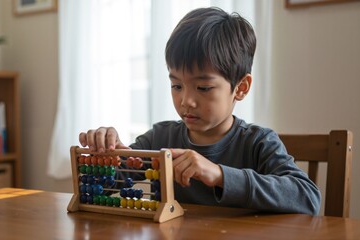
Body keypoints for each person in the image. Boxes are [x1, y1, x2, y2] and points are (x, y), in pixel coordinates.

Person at [79, 7, 321, 215]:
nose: (186, 101)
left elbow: (308, 198)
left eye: (203, 87)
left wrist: (220, 175)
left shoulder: (258, 143)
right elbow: (106, 185)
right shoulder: (160, 138)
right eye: (176, 85)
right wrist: (108, 155)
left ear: (241, 88)